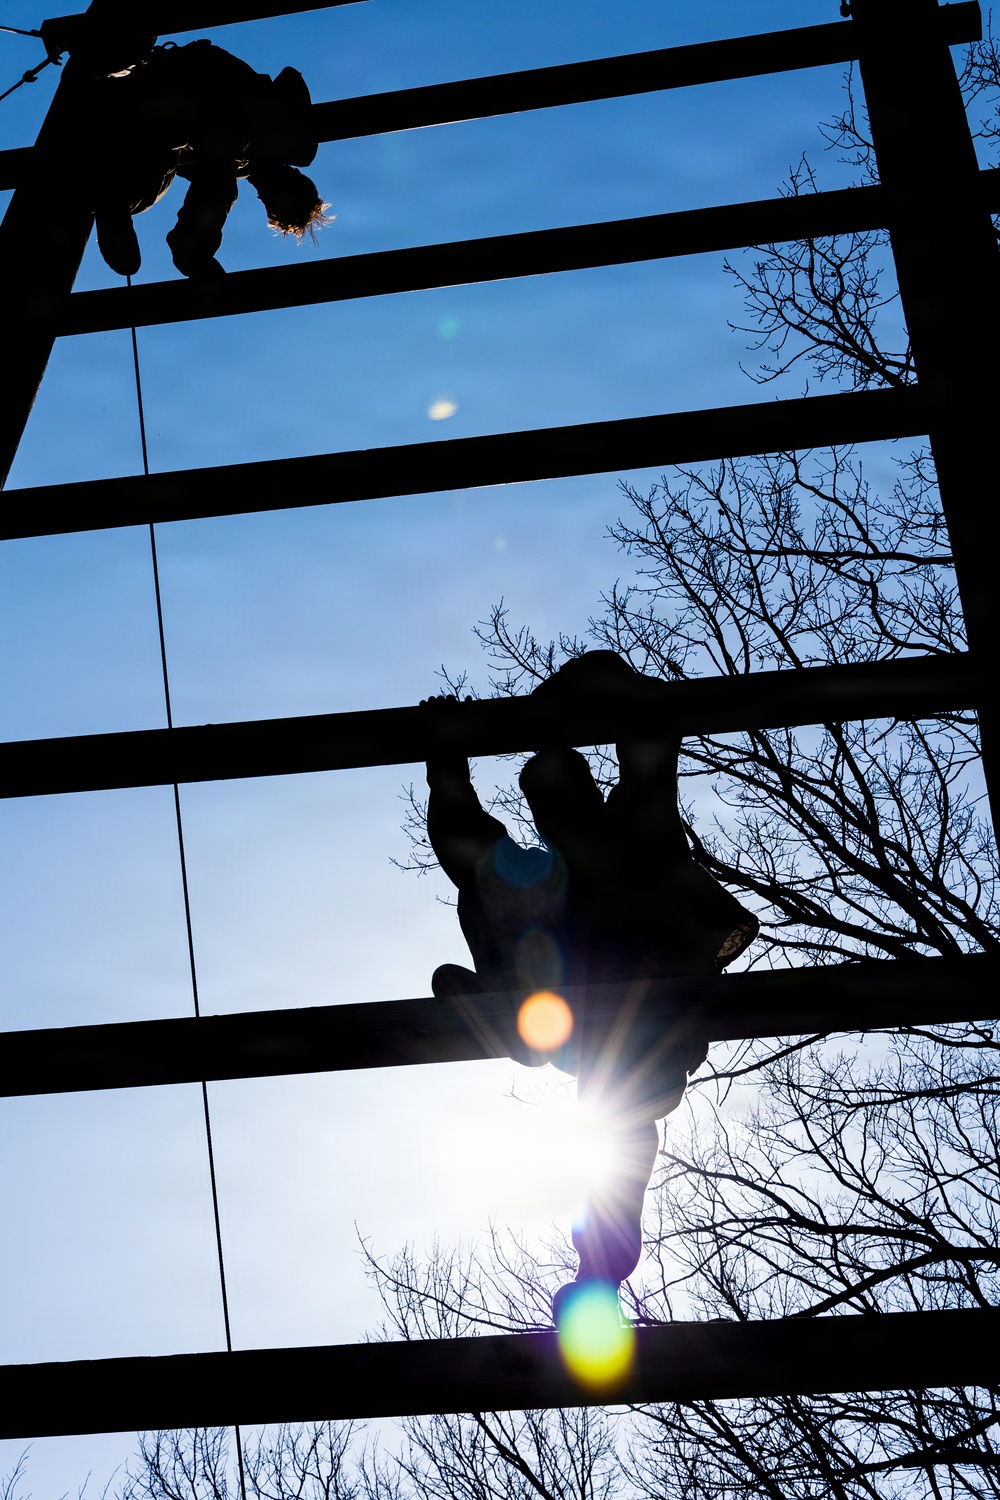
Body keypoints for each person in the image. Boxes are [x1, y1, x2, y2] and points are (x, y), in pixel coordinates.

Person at [424, 652, 758, 1321]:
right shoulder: (544, 882)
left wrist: (539, 714)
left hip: (641, 1005)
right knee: (606, 1093)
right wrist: (447, 765)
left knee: (618, 1103)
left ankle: (518, 1021)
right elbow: (467, 848)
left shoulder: (639, 838)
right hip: (592, 1023)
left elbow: (644, 736)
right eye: (550, 807)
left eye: (567, 797)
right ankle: (515, 1016)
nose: (559, 817)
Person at [84, 37, 329, 279]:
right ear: (294, 177)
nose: (261, 194)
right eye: (273, 197)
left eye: (267, 202)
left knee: (150, 186)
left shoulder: (237, 165)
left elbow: (177, 160)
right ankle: (187, 247)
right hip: (171, 84)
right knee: (215, 171)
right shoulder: (273, 134)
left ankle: (118, 202)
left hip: (147, 114)